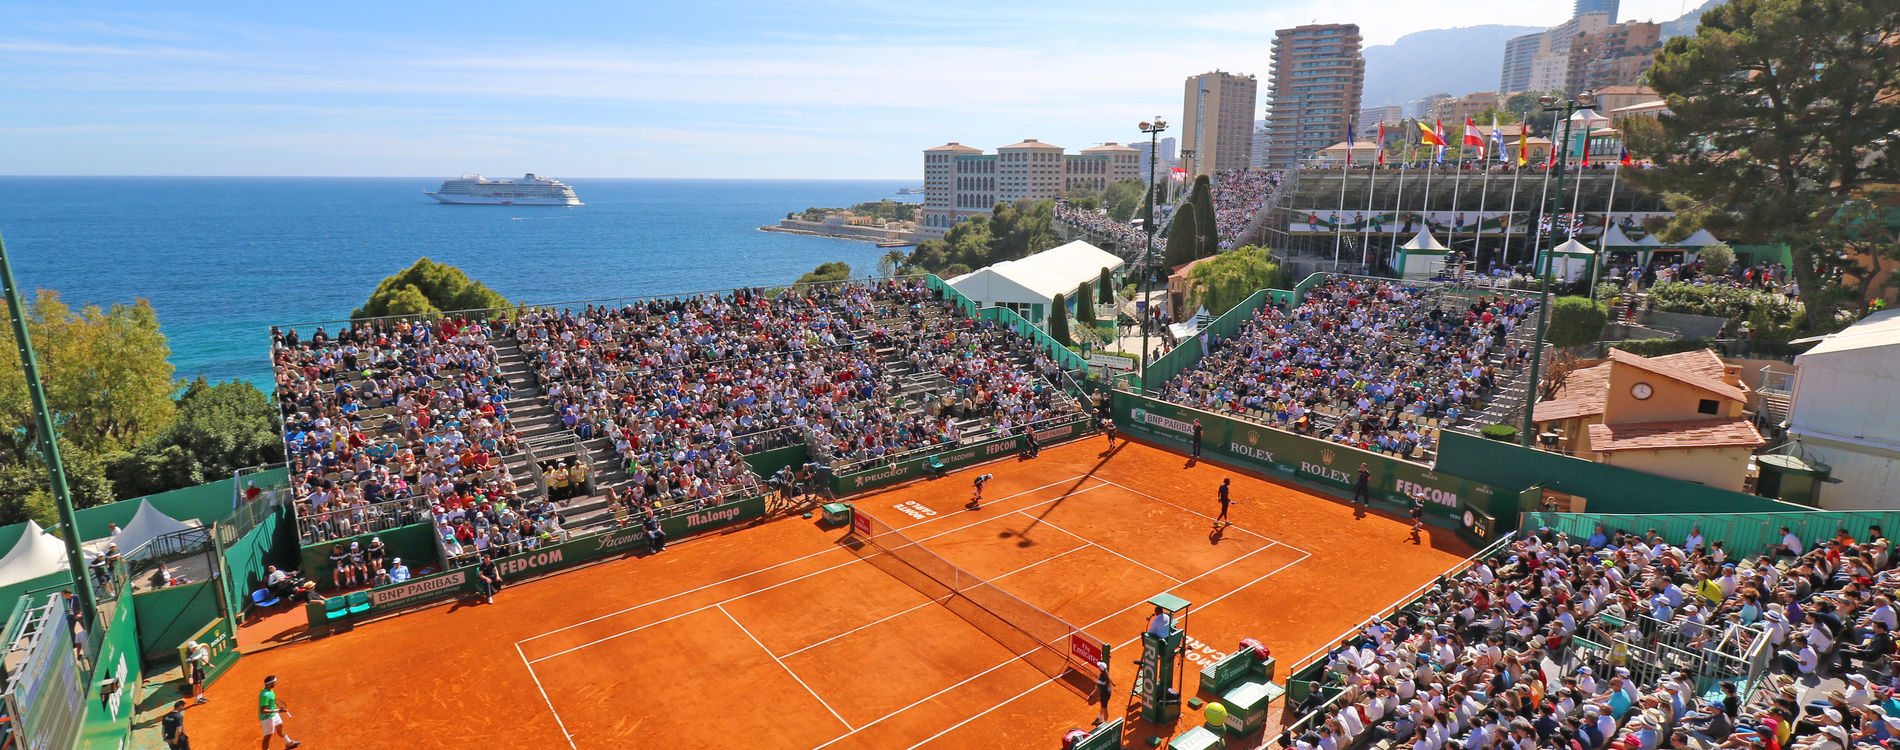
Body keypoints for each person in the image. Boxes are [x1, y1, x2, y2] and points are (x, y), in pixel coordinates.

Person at [257, 675, 299, 749]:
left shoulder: (270, 690)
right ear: (270, 683)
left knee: (280, 727)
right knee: (268, 736)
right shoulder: (265, 695)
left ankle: (288, 743)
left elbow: (271, 703)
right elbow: (263, 710)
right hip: (267, 718)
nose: (275, 684)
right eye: (274, 682)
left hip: (273, 714)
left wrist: (278, 710)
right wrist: (278, 710)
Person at [185, 639, 210, 704]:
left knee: (200, 683)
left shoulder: (198, 650)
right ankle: (196, 700)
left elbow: (201, 657)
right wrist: (190, 677)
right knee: (196, 685)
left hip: (200, 668)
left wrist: (208, 663)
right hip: (195, 671)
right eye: (194, 648)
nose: (195, 648)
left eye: (195, 647)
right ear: (190, 649)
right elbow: (191, 666)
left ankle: (200, 697)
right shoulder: (189, 656)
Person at [1095, 661, 1113, 726]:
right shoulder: (1106, 674)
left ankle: (1105, 723)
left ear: (1100, 669)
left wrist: (1092, 696)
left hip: (1104, 694)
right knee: (1103, 705)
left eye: (1099, 666)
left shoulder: (1101, 678)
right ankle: (1100, 717)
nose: (1098, 667)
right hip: (1107, 691)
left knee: (1105, 708)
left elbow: (1097, 689)